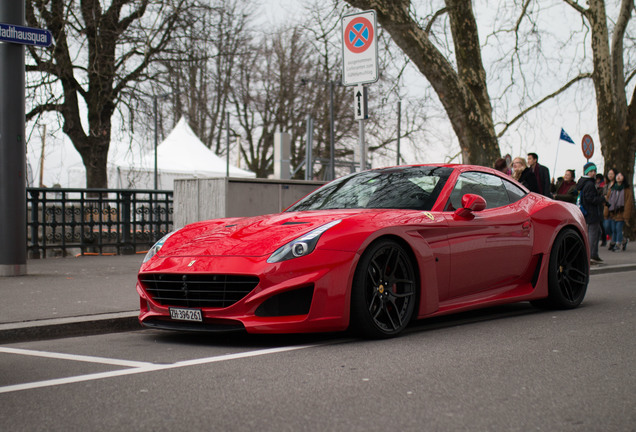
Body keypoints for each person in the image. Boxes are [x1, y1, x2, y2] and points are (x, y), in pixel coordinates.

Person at [576, 162, 606, 263]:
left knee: (596, 233)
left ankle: (594, 254)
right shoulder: (589, 184)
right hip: (592, 213)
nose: (593, 173)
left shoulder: (585, 183)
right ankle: (590, 256)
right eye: (591, 171)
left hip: (589, 213)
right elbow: (590, 199)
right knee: (593, 235)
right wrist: (601, 199)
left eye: (594, 171)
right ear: (587, 172)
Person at [604, 171, 633, 251]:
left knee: (618, 229)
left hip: (621, 212)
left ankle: (618, 244)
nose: (618, 177)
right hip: (613, 213)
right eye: (617, 176)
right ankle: (623, 240)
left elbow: (628, 203)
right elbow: (608, 201)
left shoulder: (626, 190)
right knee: (613, 229)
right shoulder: (612, 189)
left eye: (621, 176)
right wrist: (606, 212)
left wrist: (626, 215)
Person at [601, 168, 616, 246]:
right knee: (606, 226)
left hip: (615, 208)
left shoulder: (617, 185)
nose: (610, 175)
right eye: (609, 174)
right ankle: (621, 239)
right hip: (606, 208)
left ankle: (614, 242)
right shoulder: (606, 185)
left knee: (614, 227)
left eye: (612, 174)